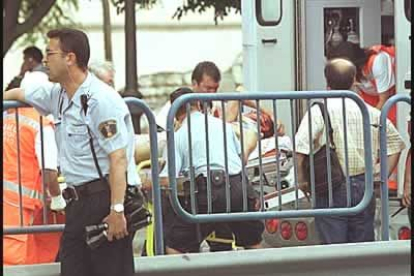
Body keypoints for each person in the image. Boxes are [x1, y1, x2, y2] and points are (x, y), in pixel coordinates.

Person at [4, 28, 139, 276]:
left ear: (70, 58)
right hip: (77, 204)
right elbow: (19, 93)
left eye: (50, 53)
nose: (45, 60)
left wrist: (117, 210)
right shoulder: (58, 95)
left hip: (104, 198)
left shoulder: (100, 99)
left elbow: (118, 158)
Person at [295, 58, 405, 244]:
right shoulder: (371, 112)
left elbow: (300, 146)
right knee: (362, 247)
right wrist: (381, 175)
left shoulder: (320, 110)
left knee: (333, 248)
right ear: (354, 80)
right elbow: (396, 145)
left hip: (331, 185)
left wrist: (302, 180)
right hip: (364, 186)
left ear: (327, 81)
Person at [143, 87, 264, 254]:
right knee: (253, 243)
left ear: (174, 113)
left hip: (207, 194)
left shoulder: (179, 136)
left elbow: (166, 180)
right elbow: (240, 160)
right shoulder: (224, 126)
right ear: (199, 104)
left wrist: (147, 181)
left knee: (176, 246)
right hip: (239, 189)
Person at [3, 106, 66, 265]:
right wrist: (58, 198)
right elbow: (49, 171)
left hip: (12, 202)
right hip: (19, 205)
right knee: (14, 261)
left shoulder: (10, 117)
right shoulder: (41, 125)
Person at [327, 41, 397, 125]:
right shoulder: (353, 72)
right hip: (371, 98)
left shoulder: (378, 61)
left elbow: (384, 99)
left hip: (390, 99)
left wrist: (367, 122)